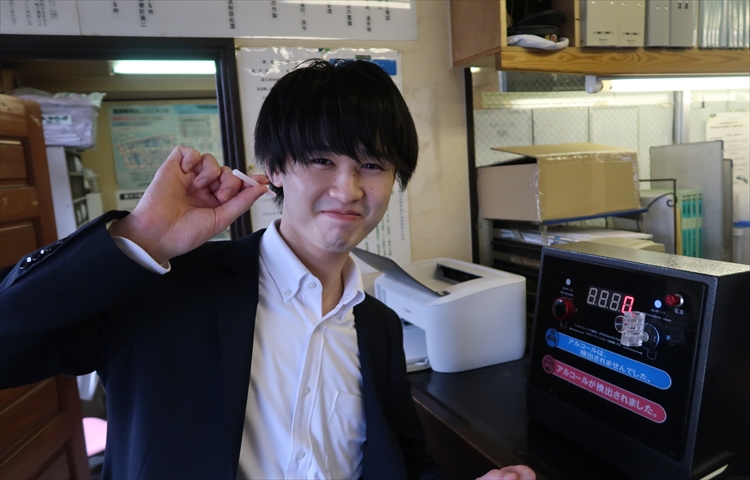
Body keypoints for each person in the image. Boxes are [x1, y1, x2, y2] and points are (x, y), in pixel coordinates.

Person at [0, 60, 535, 480]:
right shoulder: (167, 285)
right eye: (322, 160)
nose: (348, 189)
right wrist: (141, 236)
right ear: (275, 168)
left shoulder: (378, 327)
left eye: (371, 165)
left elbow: (405, 463)